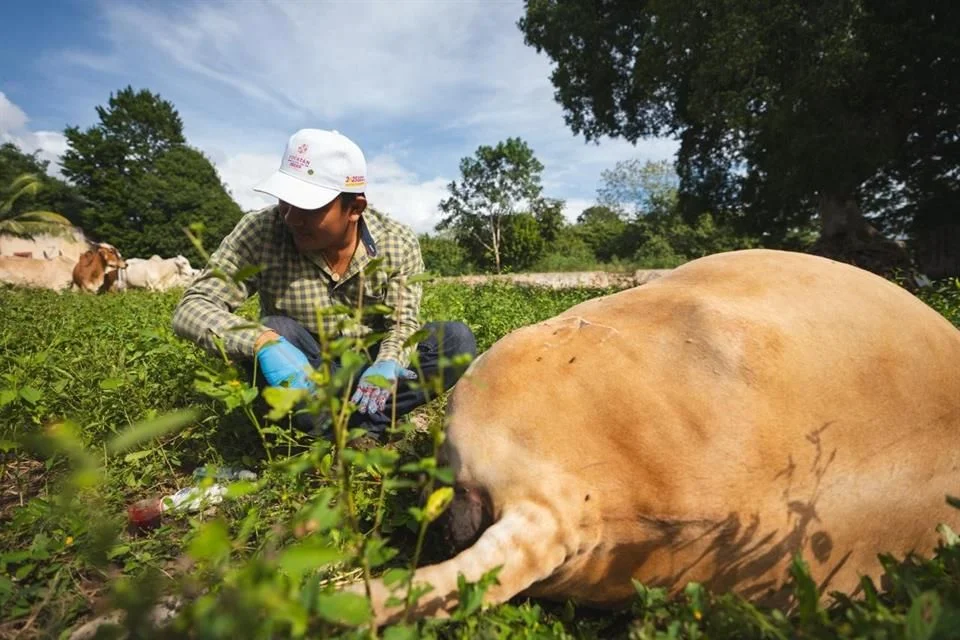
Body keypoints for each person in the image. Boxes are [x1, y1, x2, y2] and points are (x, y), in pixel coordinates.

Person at [171, 128, 477, 442]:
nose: (291, 217)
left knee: (454, 341)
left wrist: (387, 363)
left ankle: (367, 426)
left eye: (309, 208)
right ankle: (318, 432)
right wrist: (263, 342)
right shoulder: (261, 231)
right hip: (303, 369)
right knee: (278, 328)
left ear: (355, 208)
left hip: (366, 371)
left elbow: (402, 323)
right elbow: (193, 306)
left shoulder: (396, 243)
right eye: (285, 202)